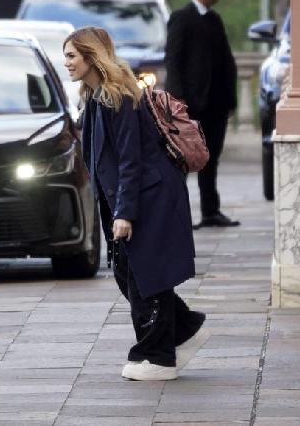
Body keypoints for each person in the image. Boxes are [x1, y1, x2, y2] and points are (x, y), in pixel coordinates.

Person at [64, 26, 207, 381]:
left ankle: (157, 356)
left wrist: (125, 213)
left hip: (150, 196)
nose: (65, 63)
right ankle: (185, 327)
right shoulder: (94, 97)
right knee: (129, 272)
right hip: (131, 196)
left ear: (91, 56)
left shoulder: (119, 97)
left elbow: (131, 160)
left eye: (71, 56)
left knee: (147, 275)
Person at [165, 0, 240, 228]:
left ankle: (210, 211)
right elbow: (173, 61)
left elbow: (227, 61)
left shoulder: (215, 20)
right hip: (191, 106)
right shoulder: (181, 18)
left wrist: (231, 99)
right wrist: (178, 101)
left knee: (211, 157)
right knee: (184, 158)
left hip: (216, 105)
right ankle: (176, 215)